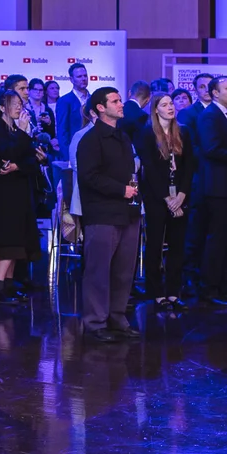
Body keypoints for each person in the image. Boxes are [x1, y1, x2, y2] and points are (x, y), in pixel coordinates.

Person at [75, 87, 141, 343]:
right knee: (98, 271)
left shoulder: (123, 136)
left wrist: (132, 191)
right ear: (100, 108)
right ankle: (95, 322)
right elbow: (88, 178)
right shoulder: (90, 140)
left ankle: (117, 317)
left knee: (124, 271)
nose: (121, 104)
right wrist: (121, 189)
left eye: (120, 99)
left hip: (128, 211)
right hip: (102, 213)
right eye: (115, 101)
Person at [131, 93, 194, 313]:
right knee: (155, 245)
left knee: (178, 246)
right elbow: (150, 170)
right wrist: (168, 199)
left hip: (180, 197)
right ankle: (157, 293)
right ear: (155, 109)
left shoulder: (184, 131)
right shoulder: (146, 134)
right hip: (157, 197)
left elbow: (189, 167)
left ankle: (174, 293)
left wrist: (182, 196)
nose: (170, 108)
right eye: (164, 104)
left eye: (171, 104)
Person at [0, 88, 44, 309]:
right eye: (13, 103)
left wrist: (18, 165)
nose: (19, 106)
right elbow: (5, 154)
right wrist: (23, 135)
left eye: (20, 103)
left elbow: (30, 160)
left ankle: (8, 284)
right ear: (1, 107)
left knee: (18, 239)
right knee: (7, 240)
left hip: (21, 191)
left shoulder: (18, 129)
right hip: (4, 193)